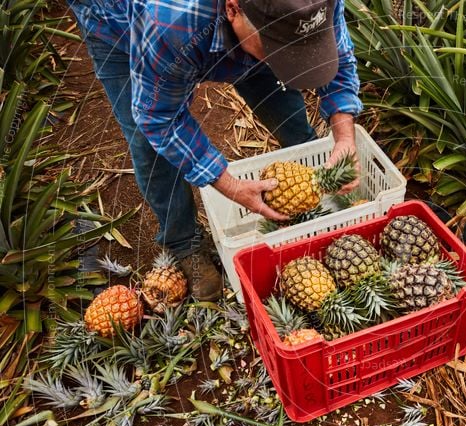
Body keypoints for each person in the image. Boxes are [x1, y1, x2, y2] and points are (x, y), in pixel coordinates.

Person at [67, 0, 362, 300]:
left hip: (238, 29)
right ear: (233, 10)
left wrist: (344, 137)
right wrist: (229, 184)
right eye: (276, 47)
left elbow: (336, 58)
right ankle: (184, 242)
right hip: (118, 22)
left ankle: (317, 193)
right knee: (148, 145)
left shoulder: (311, 5)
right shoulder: (171, 20)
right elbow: (159, 119)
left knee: (276, 86)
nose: (286, 59)